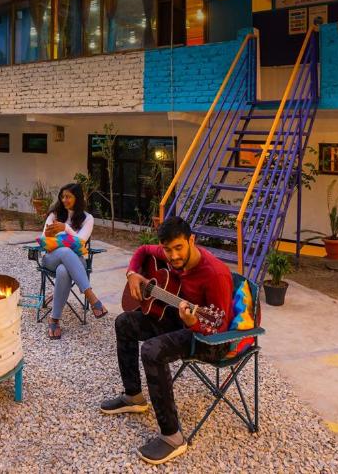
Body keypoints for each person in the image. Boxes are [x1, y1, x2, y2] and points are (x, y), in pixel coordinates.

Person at [99, 216, 233, 465]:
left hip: (211, 339)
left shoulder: (215, 273)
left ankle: (172, 436)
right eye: (167, 250)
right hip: (180, 319)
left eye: (178, 248)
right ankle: (133, 396)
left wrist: (193, 323)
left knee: (152, 350)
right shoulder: (168, 253)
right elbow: (142, 250)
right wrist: (132, 274)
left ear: (192, 240)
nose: (172, 256)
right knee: (124, 322)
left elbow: (219, 328)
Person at [40, 183, 106, 339]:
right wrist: (55, 234)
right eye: (62, 196)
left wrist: (65, 229)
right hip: (51, 258)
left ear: (78, 198)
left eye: (68, 196)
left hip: (76, 262)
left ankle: (54, 319)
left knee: (63, 270)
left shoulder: (88, 219)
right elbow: (44, 239)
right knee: (65, 251)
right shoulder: (54, 215)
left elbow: (81, 242)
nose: (64, 200)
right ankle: (90, 295)